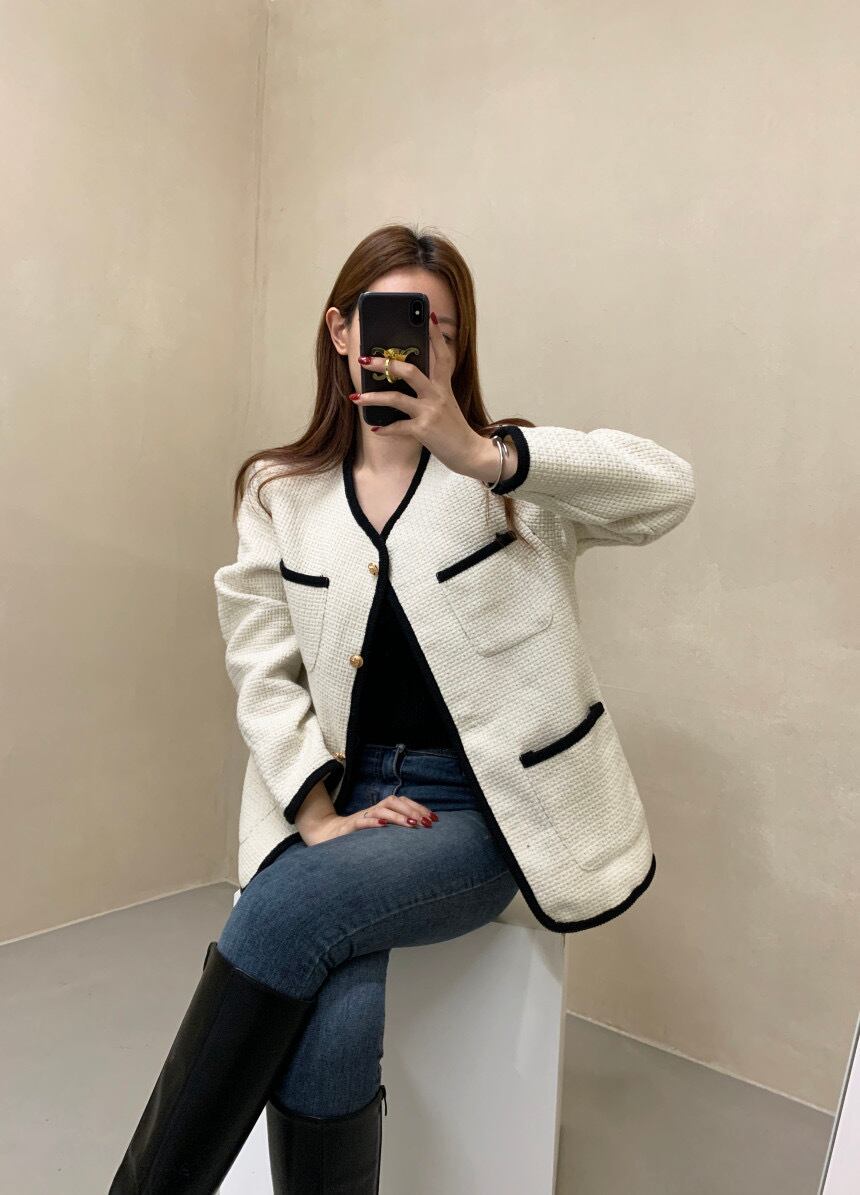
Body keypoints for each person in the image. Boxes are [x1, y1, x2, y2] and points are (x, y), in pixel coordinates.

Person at [109, 223, 695, 1193]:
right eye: (392, 323)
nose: (418, 348)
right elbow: (260, 664)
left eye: (441, 331)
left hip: (473, 814)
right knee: (332, 1025)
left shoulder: (508, 478)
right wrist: (316, 814)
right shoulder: (280, 491)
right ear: (341, 331)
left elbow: (666, 491)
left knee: (283, 910)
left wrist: (484, 454)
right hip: (342, 797)